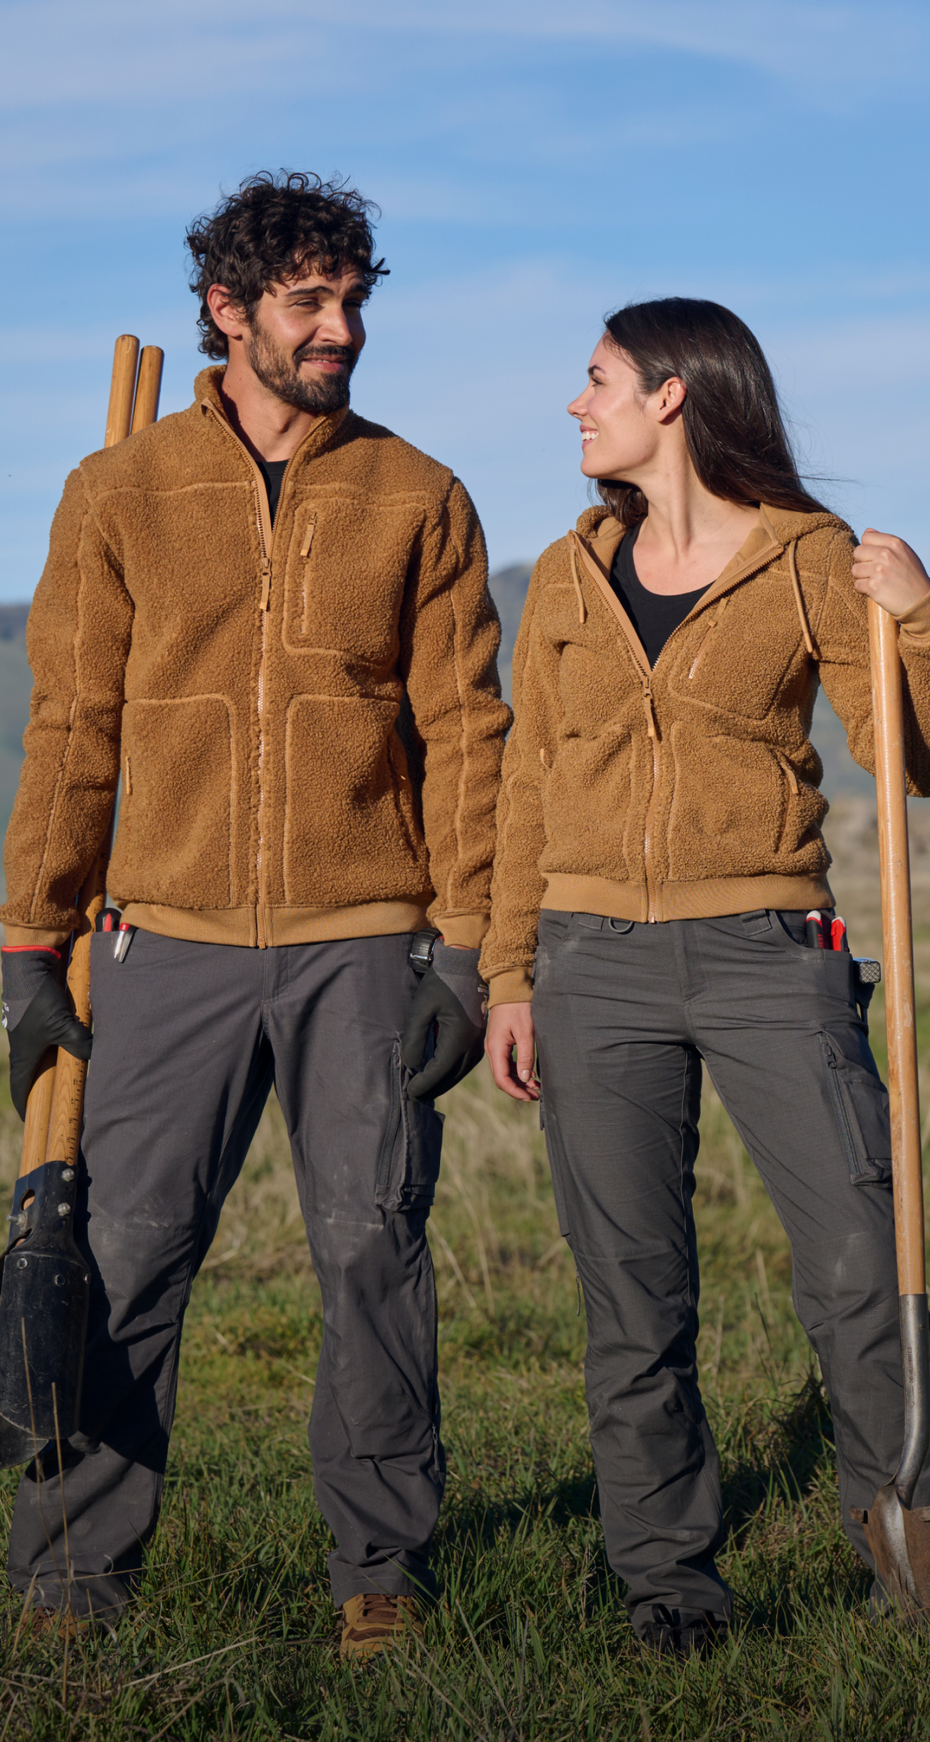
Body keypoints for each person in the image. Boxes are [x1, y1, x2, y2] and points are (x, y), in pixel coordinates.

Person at [0, 170, 509, 1654]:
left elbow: (467, 735)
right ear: (226, 311)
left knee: (371, 1245)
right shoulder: (120, 491)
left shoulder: (420, 494)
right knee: (128, 1251)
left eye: (353, 300)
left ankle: (381, 1571)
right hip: (167, 938)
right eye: (308, 303)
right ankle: (75, 1580)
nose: (340, 328)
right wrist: (36, 937)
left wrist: (469, 950)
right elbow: (71, 724)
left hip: (366, 939)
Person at [481, 296, 930, 1655]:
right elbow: (526, 781)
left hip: (768, 954)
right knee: (632, 1293)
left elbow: (908, 754)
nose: (577, 401)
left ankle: (901, 1541)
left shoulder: (811, 560)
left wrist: (918, 623)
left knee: (861, 1256)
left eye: (598, 377)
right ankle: (670, 1582)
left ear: (675, 393)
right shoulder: (563, 572)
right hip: (589, 959)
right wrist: (510, 970)